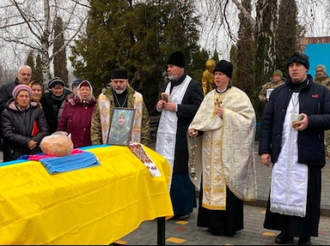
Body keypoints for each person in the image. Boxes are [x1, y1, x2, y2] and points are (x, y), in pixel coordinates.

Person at [258, 52, 330, 245]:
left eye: (299, 65)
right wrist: (264, 150)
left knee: (306, 194)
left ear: (306, 68)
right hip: (282, 153)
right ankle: (285, 231)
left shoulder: (321, 92)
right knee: (282, 190)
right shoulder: (279, 93)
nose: (294, 69)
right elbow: (267, 122)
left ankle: (305, 235)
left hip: (308, 154)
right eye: (291, 66)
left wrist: (311, 121)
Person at [188, 60, 257, 236]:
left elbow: (249, 121)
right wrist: (196, 130)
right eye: (216, 74)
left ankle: (228, 226)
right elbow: (202, 121)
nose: (217, 77)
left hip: (227, 153)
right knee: (210, 184)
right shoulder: (209, 97)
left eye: (221, 74)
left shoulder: (239, 96)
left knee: (226, 188)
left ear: (228, 77)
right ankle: (210, 222)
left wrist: (227, 114)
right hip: (210, 150)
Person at [155, 51, 204, 220]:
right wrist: (160, 105)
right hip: (165, 136)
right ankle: (165, 206)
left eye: (171, 66)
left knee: (180, 171)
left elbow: (199, 109)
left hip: (181, 136)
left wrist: (176, 107)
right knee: (165, 169)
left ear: (181, 68)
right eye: (168, 66)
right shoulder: (166, 85)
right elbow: (161, 106)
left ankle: (182, 209)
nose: (168, 69)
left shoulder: (193, 86)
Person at [91, 69, 150, 146]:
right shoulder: (103, 98)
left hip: (132, 144)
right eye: (115, 82)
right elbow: (95, 123)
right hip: (108, 145)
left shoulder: (137, 98)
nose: (118, 84)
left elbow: (145, 122)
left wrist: (143, 144)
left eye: (121, 82)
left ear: (126, 81)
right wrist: (97, 145)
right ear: (111, 82)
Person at [1, 84, 49, 162]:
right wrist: (27, 142)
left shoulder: (37, 111)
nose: (24, 99)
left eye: (26, 96)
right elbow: (7, 133)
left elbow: (44, 130)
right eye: (21, 96)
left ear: (30, 98)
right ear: (16, 98)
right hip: (14, 153)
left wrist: (33, 142)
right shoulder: (7, 113)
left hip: (34, 151)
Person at [57, 80, 96, 148]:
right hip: (71, 145)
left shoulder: (96, 106)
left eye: (87, 89)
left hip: (90, 146)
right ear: (78, 91)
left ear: (91, 92)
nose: (85, 92)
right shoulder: (69, 105)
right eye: (82, 89)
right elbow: (61, 125)